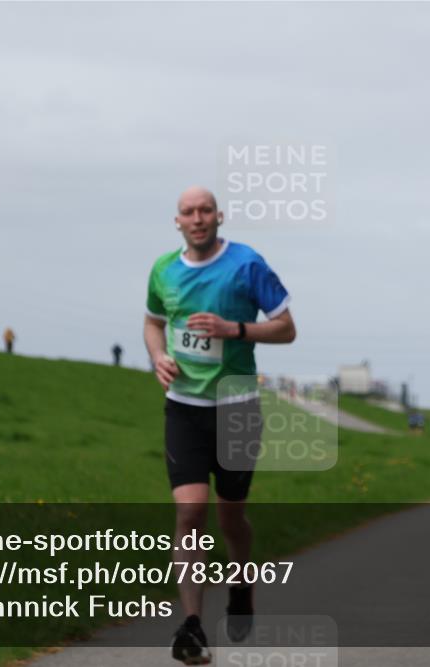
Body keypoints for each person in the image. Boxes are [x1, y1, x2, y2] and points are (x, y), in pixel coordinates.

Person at [143, 186, 295, 665]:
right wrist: (158, 356)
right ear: (178, 221)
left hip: (237, 408)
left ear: (219, 217)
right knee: (190, 513)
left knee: (231, 519)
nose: (197, 218)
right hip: (184, 408)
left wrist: (237, 330)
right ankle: (192, 626)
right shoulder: (163, 270)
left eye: (205, 210)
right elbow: (152, 322)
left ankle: (242, 583)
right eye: (188, 212)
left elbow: (287, 327)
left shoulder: (247, 264)